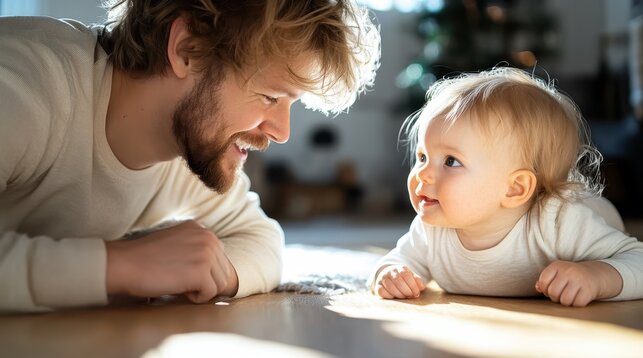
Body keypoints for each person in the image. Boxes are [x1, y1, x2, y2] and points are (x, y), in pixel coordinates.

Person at [0, 0, 380, 312]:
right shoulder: (26, 84)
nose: (281, 132)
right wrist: (121, 266)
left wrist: (208, 270)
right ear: (187, 50)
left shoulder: (188, 148)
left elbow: (261, 238)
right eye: (270, 98)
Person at [369, 67, 643, 307]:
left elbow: (638, 262)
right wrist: (390, 275)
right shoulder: (431, 229)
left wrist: (597, 276)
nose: (423, 174)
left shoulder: (559, 222)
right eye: (422, 157)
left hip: (595, 214)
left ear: (514, 188)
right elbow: (395, 262)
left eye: (451, 161)